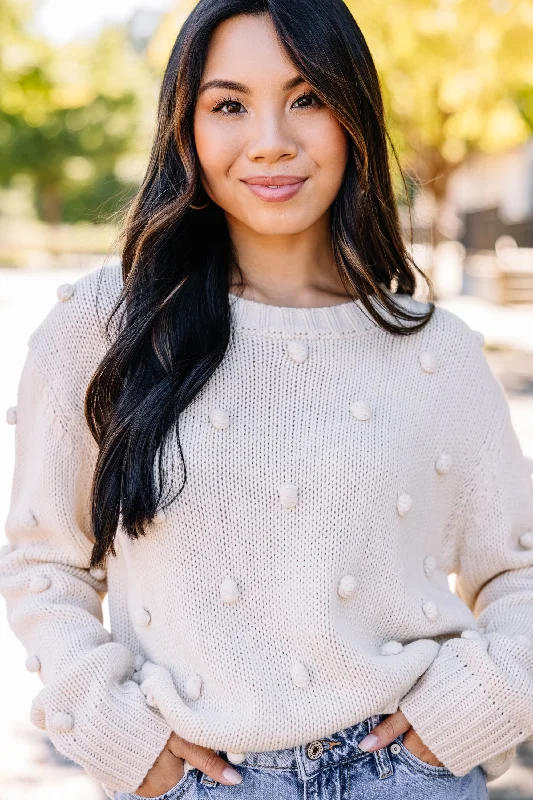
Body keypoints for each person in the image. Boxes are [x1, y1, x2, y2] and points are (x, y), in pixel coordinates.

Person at [1, 0, 533, 798]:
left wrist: (470, 714)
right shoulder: (102, 329)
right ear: (185, 129)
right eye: (228, 105)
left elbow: (517, 572)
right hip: (196, 778)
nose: (271, 140)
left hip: (411, 773)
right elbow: (45, 562)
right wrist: (123, 740)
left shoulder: (437, 352)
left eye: (307, 97)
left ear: (353, 113)